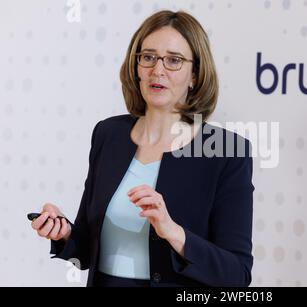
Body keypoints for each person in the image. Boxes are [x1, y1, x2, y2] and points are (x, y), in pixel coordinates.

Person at [30, 10, 254, 287]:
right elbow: (86, 252)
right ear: (136, 67)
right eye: (148, 57)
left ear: (195, 74)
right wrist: (63, 233)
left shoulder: (226, 151)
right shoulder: (108, 134)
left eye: (174, 60)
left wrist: (172, 232)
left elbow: (237, 276)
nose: (157, 70)